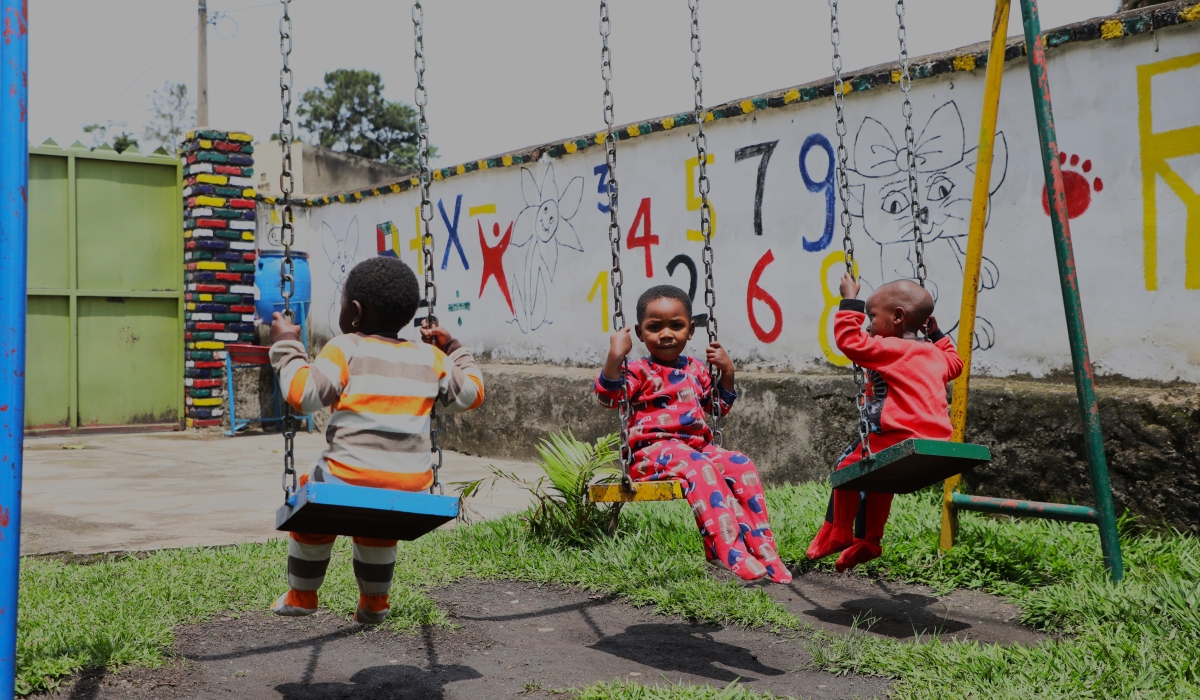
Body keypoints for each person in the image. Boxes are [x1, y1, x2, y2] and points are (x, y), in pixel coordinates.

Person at [268, 256, 484, 623]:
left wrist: (287, 345)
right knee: (380, 522)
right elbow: (473, 394)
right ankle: (374, 602)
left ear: (354, 311)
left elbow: (303, 394)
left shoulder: (345, 347)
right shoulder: (430, 357)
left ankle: (302, 594)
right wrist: (453, 347)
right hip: (409, 487)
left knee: (310, 501)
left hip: (346, 479)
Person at [595, 285, 791, 584]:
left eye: (676, 326)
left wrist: (727, 372)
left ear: (691, 330)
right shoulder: (636, 370)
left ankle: (763, 547)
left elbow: (717, 408)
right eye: (654, 327)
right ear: (639, 332)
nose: (666, 334)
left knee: (740, 463)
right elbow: (608, 398)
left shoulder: (697, 369)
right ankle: (723, 546)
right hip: (652, 453)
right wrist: (614, 356)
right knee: (700, 467)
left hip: (695, 449)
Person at [807, 274, 963, 572]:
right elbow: (955, 363)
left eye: (872, 316)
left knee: (847, 468)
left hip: (898, 435)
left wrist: (850, 301)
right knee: (881, 478)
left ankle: (839, 530)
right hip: (936, 441)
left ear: (897, 317)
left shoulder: (891, 349)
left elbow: (849, 342)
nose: (867, 324)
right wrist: (938, 334)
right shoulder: (933, 353)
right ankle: (870, 540)